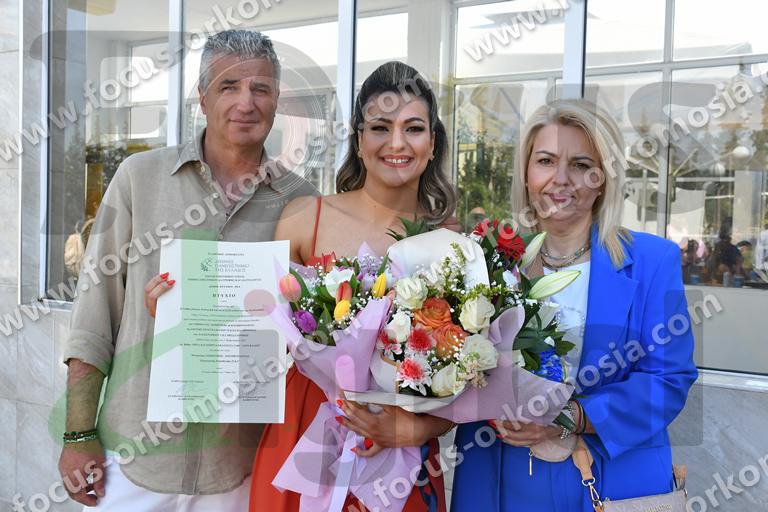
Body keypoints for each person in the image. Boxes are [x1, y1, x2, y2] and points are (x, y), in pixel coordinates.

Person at [146, 61, 457, 511]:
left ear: (432, 143)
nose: (396, 143)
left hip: (399, 451)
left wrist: (416, 429)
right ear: (358, 140)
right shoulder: (305, 217)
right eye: (379, 127)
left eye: (413, 128)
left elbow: (466, 376)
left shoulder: (452, 242)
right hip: (303, 428)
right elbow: (256, 335)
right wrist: (181, 312)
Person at [59, 30, 319, 510]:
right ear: (202, 97)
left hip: (241, 467)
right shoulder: (139, 179)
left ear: (277, 100)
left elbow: (316, 334)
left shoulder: (303, 202)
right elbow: (94, 315)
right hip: (134, 460)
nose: (246, 102)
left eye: (260, 88)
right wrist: (78, 434)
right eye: (228, 86)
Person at [450, 99, 698, 511]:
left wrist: (570, 416)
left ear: (603, 179)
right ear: (526, 172)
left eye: (582, 165)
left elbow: (669, 380)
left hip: (610, 481)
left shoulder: (654, 261)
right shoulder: (483, 261)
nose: (561, 179)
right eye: (546, 161)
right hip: (499, 478)